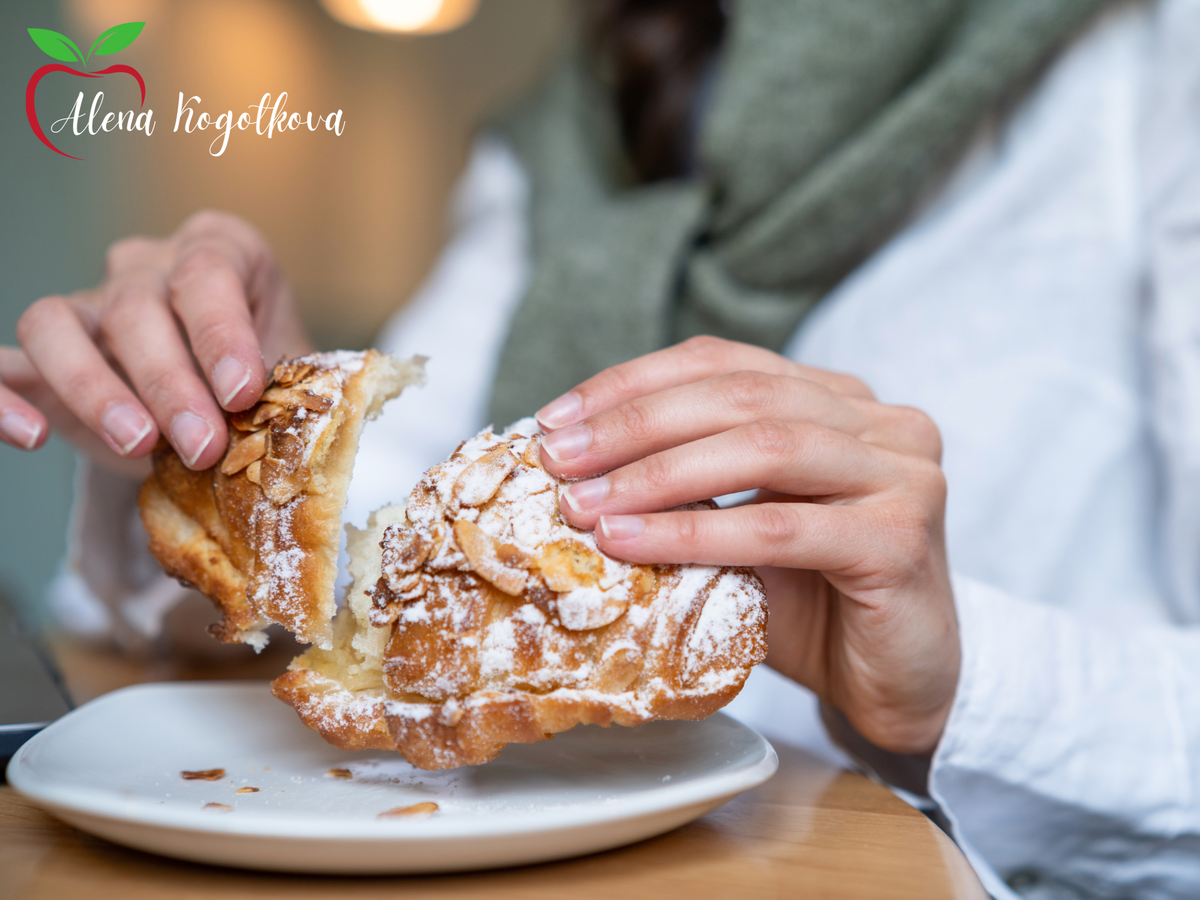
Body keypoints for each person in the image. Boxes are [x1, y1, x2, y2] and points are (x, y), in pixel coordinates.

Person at [2, 0, 1199, 896]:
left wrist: (962, 683)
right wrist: (236, 454)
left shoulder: (1149, 65)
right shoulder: (570, 124)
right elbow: (379, 588)